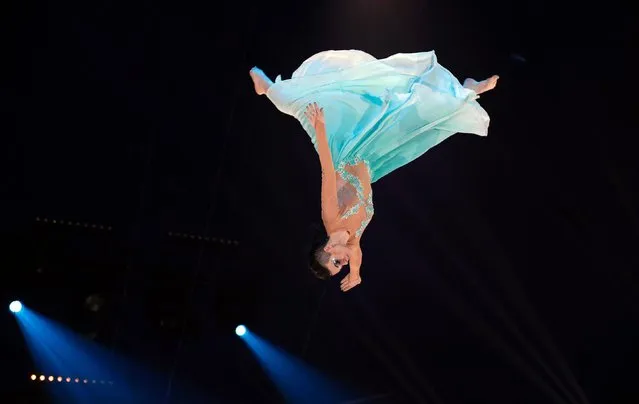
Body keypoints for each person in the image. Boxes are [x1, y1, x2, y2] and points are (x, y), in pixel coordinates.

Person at [249, 50, 498, 292]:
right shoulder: (352, 242)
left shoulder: (332, 218)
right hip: (373, 158)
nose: (344, 264)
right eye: (341, 269)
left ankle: (266, 85)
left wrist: (321, 128)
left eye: (337, 263)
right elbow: (356, 257)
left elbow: (327, 169)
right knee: (416, 123)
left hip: (346, 146)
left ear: (327, 249)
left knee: (300, 105)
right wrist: (355, 274)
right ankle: (468, 90)